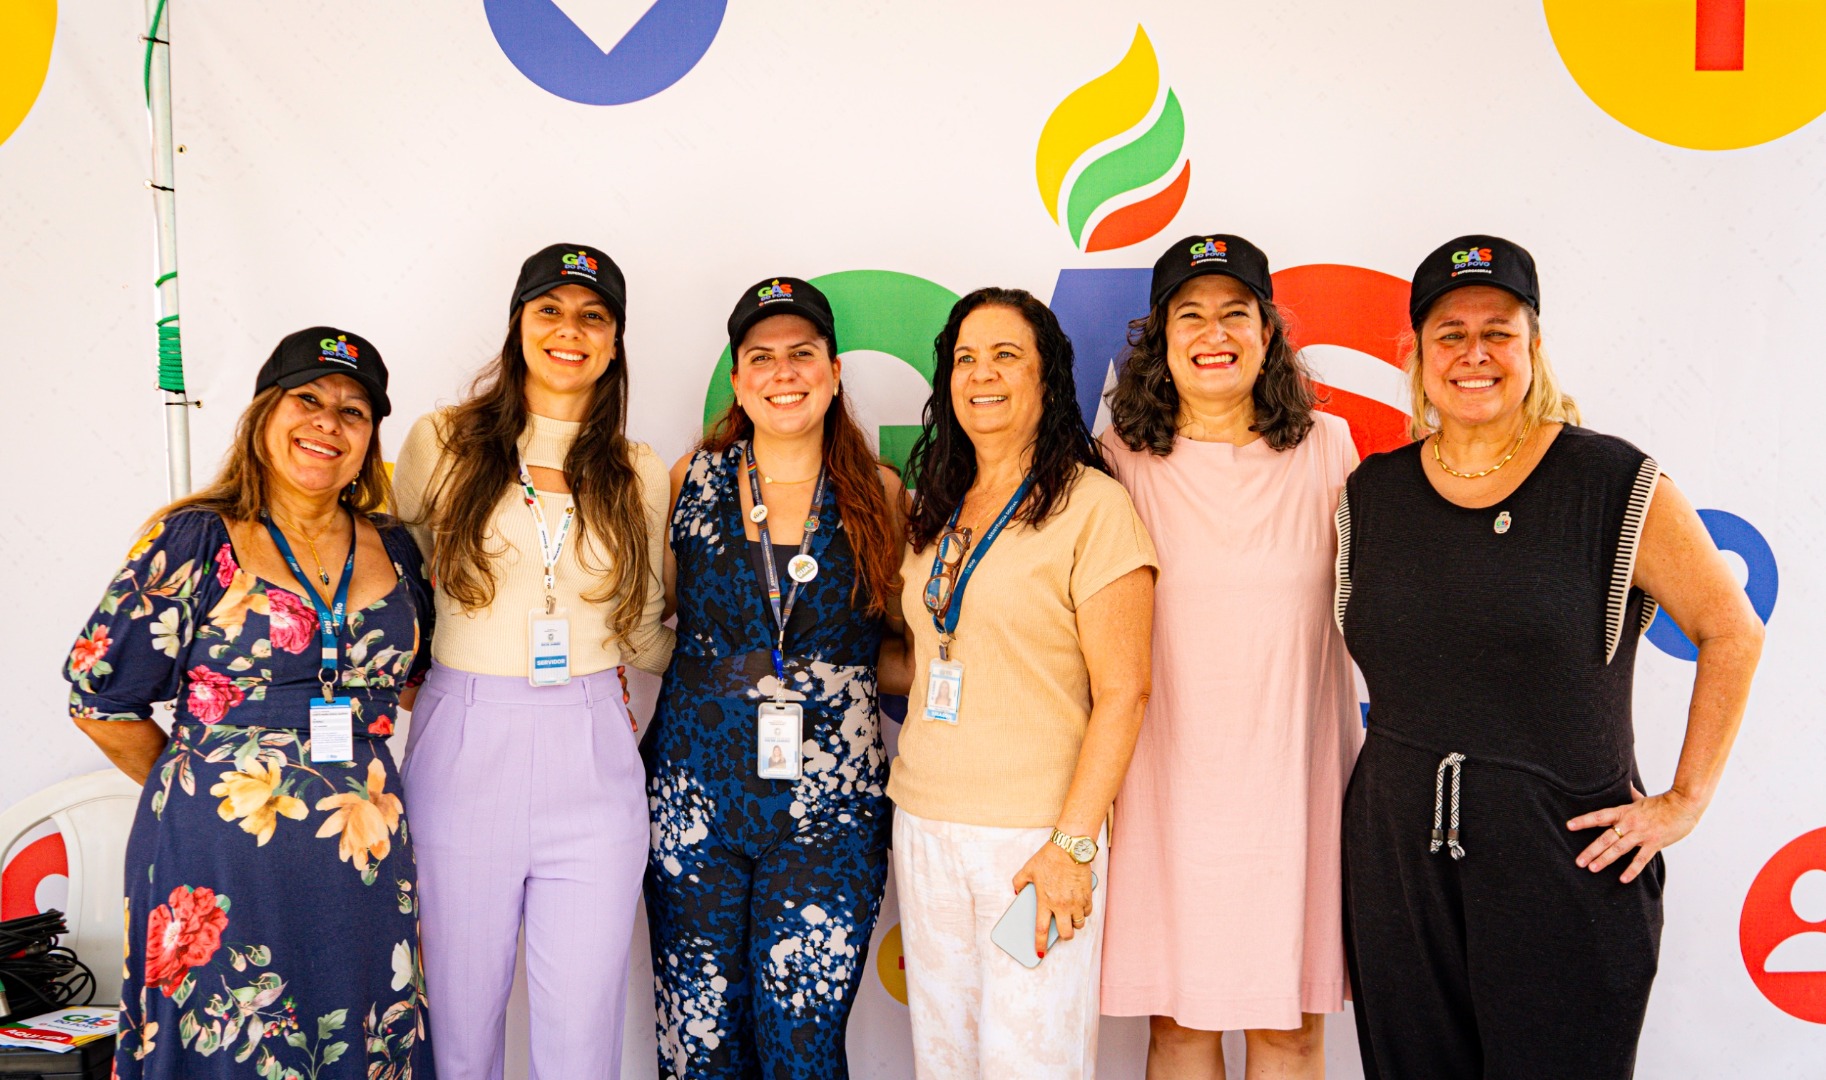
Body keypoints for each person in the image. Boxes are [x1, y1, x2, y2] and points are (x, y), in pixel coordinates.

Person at [1336, 235, 1765, 1079]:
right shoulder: (1372, 493)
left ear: (1533, 346)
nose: (1474, 353)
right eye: (1451, 333)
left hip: (1564, 865)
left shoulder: (1609, 481)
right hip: (1395, 864)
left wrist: (1685, 801)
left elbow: (1732, 630)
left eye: (1498, 332)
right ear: (1417, 353)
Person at [66, 327, 435, 1079]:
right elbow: (99, 698)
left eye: (354, 411)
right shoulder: (195, 539)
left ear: (370, 439)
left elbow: (417, 678)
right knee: (226, 1043)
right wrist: (200, 783)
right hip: (219, 861)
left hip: (362, 857)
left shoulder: (397, 549)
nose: (328, 422)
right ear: (264, 412)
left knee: (362, 1034)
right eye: (308, 399)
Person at [392, 243, 669, 1079]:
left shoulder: (638, 470)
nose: (569, 331)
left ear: (615, 342)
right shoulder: (441, 441)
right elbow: (395, 584)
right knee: (457, 1021)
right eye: (549, 310)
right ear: (518, 325)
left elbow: (643, 626)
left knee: (581, 1031)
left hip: (592, 743)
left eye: (593, 316)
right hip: (466, 737)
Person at [1098, 234, 1361, 1079]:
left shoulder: (1330, 448)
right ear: (1160, 337)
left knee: (1292, 1033)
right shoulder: (1117, 460)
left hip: (1298, 786)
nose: (1214, 334)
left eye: (1235, 314)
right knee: (1181, 1027)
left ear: (1268, 331)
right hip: (1166, 786)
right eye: (1191, 315)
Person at [891, 287, 1157, 1079]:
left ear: (1048, 378)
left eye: (1006, 356)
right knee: (944, 1062)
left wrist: (1072, 846)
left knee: (1032, 1065)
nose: (982, 374)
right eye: (965, 359)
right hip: (926, 822)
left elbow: (1125, 691)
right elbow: (932, 656)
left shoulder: (1093, 507)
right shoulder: (935, 509)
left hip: (1035, 840)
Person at [644, 277, 905, 1079]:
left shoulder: (879, 494)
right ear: (737, 379)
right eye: (761, 357)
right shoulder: (692, 479)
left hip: (832, 809)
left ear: (833, 372)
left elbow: (906, 645)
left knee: (802, 1043)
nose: (783, 373)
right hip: (695, 800)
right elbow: (656, 619)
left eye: (802, 354)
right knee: (700, 1041)